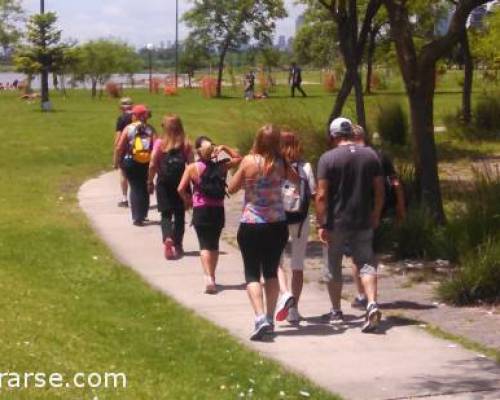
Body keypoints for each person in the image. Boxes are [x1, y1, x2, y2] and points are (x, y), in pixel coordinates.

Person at [316, 117, 385, 333]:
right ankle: (371, 302)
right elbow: (380, 189)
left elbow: (321, 195)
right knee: (366, 262)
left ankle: (336, 311)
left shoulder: (327, 159)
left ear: (333, 136)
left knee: (333, 265)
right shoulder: (370, 155)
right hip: (363, 218)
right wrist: (376, 213)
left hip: (336, 221)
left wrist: (320, 222)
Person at [228, 124, 295, 341]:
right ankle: (270, 318)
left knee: (251, 273)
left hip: (252, 222)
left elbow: (232, 187)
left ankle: (260, 318)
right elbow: (296, 179)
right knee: (271, 272)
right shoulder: (281, 162)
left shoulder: (249, 161)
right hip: (277, 223)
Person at [349, 124, 406, 309]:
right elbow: (396, 183)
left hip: (359, 211)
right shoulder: (380, 156)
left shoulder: (351, 157)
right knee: (372, 255)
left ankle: (362, 295)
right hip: (381, 211)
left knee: (357, 257)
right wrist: (400, 207)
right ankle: (371, 294)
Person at [178, 136, 241, 293]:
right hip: (217, 209)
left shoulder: (192, 168)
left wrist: (188, 200)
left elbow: (180, 188)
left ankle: (208, 277)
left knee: (204, 244)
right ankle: (212, 275)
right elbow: (239, 159)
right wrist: (224, 147)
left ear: (198, 151)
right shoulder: (221, 166)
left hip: (201, 209)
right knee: (214, 245)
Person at [276, 131, 316, 324]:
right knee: (297, 265)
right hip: (300, 220)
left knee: (277, 263)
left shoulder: (276, 166)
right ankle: (294, 310)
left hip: (279, 219)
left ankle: (283, 296)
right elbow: (314, 193)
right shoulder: (305, 167)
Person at [148, 114, 193, 260]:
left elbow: (153, 164)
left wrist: (150, 181)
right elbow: (191, 166)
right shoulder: (186, 144)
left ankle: (167, 237)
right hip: (181, 182)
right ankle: (178, 243)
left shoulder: (160, 144)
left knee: (166, 214)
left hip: (164, 183)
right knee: (180, 214)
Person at [114, 104, 156, 226]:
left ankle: (137, 216)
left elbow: (119, 147)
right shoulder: (150, 129)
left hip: (131, 161)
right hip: (146, 161)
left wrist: (117, 161)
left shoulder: (128, 128)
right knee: (144, 186)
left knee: (135, 187)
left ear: (136, 116)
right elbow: (156, 146)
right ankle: (143, 214)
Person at [115, 97, 134, 207]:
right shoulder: (138, 117)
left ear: (121, 107)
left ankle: (124, 198)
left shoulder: (121, 119)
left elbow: (118, 138)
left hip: (125, 150)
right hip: (139, 150)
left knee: (123, 173)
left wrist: (116, 157)